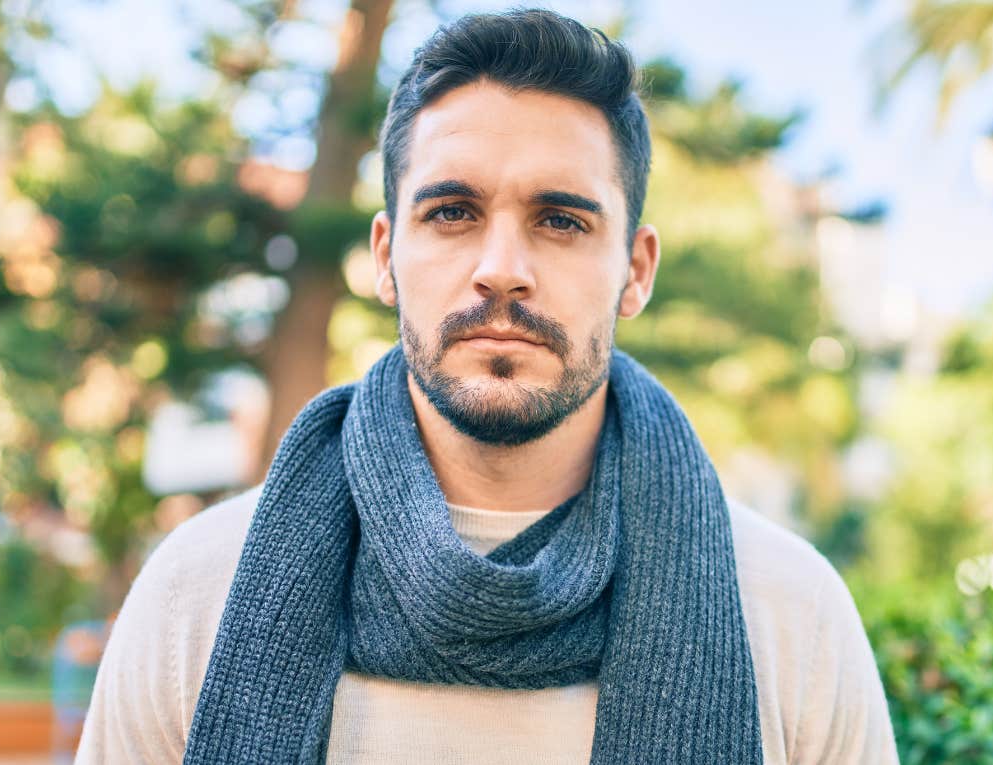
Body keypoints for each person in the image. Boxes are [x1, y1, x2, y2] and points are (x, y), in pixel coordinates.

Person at [75, 8, 898, 764]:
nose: (502, 268)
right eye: (452, 213)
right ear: (384, 256)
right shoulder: (199, 595)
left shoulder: (789, 615)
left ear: (637, 270)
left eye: (562, 220)